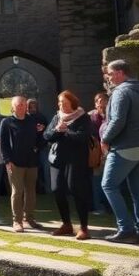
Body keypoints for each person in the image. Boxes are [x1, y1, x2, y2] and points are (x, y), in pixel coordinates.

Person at [100, 59, 139, 244]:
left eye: (110, 73)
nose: (108, 77)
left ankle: (126, 229)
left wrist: (105, 139)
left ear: (121, 73)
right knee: (138, 192)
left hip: (126, 147)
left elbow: (117, 121)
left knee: (108, 185)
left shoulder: (121, 91)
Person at [44, 90, 93, 240]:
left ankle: (84, 228)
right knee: (57, 190)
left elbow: (83, 137)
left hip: (76, 160)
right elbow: (47, 136)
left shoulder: (83, 117)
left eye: (64, 103)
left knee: (76, 190)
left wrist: (66, 131)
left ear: (72, 103)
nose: (61, 105)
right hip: (58, 160)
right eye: (59, 102)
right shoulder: (57, 117)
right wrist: (57, 130)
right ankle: (66, 224)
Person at [0, 95, 45, 232]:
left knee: (31, 192)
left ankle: (29, 219)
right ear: (13, 107)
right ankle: (17, 221)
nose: (22, 107)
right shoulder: (7, 122)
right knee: (17, 192)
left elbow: (41, 138)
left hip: (32, 162)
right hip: (15, 164)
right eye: (18, 105)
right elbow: (3, 144)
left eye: (23, 105)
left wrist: (38, 147)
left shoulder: (33, 121)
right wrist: (7, 161)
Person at [88, 91, 110, 215]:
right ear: (95, 104)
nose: (101, 104)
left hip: (110, 153)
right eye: (98, 102)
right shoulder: (90, 117)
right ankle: (99, 207)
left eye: (104, 101)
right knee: (97, 181)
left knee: (109, 181)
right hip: (96, 154)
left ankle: (109, 207)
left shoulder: (112, 115)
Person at [28, 98, 50, 193]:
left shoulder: (41, 117)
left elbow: (45, 135)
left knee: (45, 169)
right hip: (30, 149)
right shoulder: (25, 118)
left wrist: (38, 146)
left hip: (42, 148)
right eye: (30, 107)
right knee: (33, 171)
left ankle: (48, 190)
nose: (33, 109)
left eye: (34, 106)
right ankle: (35, 190)